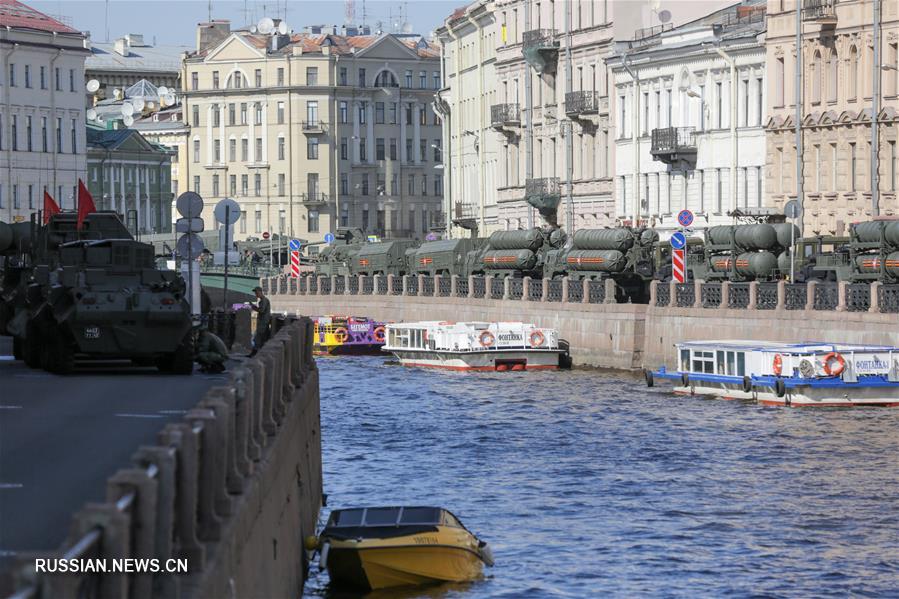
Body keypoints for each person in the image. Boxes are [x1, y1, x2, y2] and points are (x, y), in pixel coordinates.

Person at [248, 286, 271, 357]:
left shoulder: (264, 300)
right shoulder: (263, 300)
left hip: (263, 322)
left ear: (260, 292)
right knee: (260, 338)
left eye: (256, 292)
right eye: (255, 293)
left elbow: (261, 310)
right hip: (263, 322)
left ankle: (254, 353)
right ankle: (257, 353)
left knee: (257, 338)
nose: (256, 294)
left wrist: (253, 307)